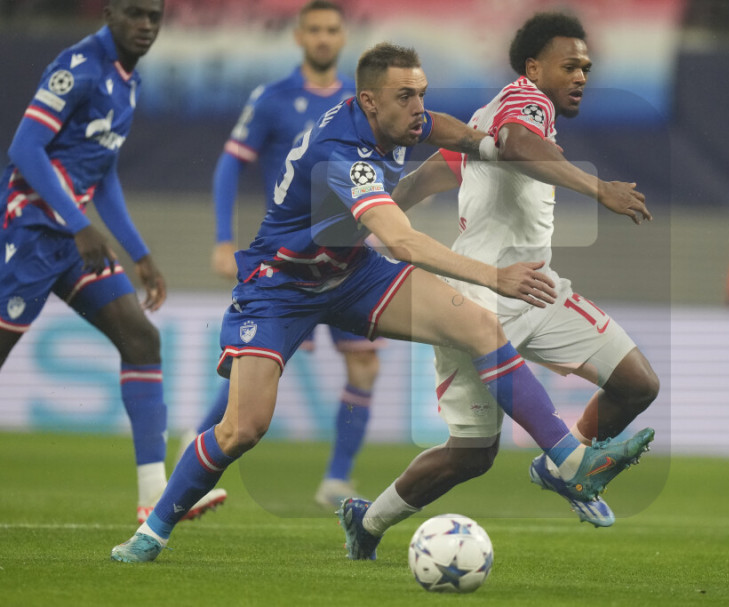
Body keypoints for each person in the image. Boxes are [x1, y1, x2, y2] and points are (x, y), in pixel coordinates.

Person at [111, 41, 652, 563]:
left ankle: (569, 460)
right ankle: (152, 530)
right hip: (282, 286)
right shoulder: (343, 154)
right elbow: (402, 242)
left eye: (421, 93)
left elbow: (440, 127)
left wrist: (485, 146)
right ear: (369, 101)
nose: (418, 107)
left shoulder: (397, 119)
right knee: (242, 429)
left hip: (351, 273)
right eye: (405, 97)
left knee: (480, 328)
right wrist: (494, 276)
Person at [335, 12, 659, 554]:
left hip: (536, 289)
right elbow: (515, 142)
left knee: (636, 384)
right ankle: (367, 523)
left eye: (586, 67)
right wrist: (598, 188)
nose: (581, 76)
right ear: (533, 68)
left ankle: (566, 466)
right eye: (569, 66)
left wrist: (367, 219)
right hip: (478, 298)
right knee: (472, 455)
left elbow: (433, 173)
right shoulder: (526, 103)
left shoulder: (489, 116)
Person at [0, 0, 224, 523]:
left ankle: (155, 495)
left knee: (141, 340)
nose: (145, 25)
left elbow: (103, 174)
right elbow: (25, 149)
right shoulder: (78, 68)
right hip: (33, 235)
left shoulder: (128, 81)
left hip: (74, 241)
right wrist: (79, 225)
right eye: (135, 14)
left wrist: (140, 252)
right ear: (109, 13)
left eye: (154, 16)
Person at [201, 0, 380, 508]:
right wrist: (223, 239)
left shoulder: (357, 103)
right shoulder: (273, 99)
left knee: (364, 367)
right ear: (299, 37)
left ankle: (337, 479)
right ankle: (195, 452)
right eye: (314, 30)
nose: (323, 38)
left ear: (343, 38)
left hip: (347, 258)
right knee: (253, 371)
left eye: (332, 30)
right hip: (290, 260)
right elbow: (229, 166)